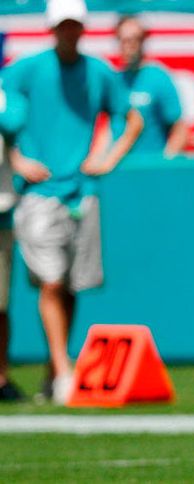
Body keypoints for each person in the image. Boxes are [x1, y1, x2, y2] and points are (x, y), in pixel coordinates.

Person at [2, 0, 143, 405]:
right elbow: (6, 118)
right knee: (51, 282)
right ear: (51, 29)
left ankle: (53, 370)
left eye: (74, 25)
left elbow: (130, 119)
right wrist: (16, 159)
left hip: (82, 193)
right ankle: (64, 369)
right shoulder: (26, 70)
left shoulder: (98, 72)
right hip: (39, 194)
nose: (69, 32)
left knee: (70, 285)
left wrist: (107, 158)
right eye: (63, 25)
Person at [114, 15, 188, 158]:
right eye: (124, 40)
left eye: (135, 39)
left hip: (149, 165)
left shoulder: (158, 77)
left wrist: (164, 162)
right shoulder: (116, 80)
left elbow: (180, 130)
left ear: (143, 41)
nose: (129, 46)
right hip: (119, 166)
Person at [0, 80, 26, 402]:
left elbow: (12, 122)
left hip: (1, 211)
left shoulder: (7, 95)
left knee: (0, 303)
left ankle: (1, 375)